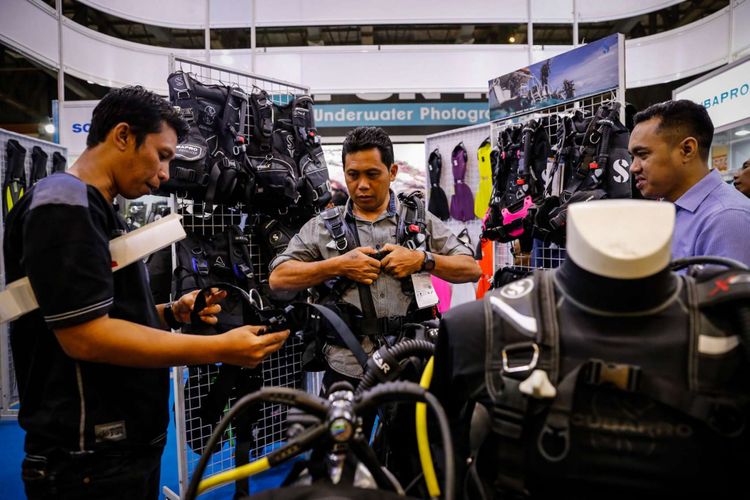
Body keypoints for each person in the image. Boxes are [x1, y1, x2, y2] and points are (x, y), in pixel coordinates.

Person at [4, 86, 289, 500]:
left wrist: (173, 314)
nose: (165, 175)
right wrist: (219, 349)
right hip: (88, 458)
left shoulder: (96, 207)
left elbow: (100, 314)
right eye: (162, 155)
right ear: (123, 136)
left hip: (119, 450)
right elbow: (85, 336)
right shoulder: (64, 206)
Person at [269, 126, 481, 388]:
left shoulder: (419, 218)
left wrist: (421, 259)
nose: (362, 185)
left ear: (392, 172)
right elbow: (278, 278)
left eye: (372, 174)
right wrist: (338, 265)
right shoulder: (322, 226)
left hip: (412, 363)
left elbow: (471, 269)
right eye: (353, 175)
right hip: (347, 368)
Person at [629, 99, 750, 266]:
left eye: (642, 155)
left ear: (687, 150)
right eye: (632, 157)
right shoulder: (671, 211)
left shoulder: (727, 219)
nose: (633, 168)